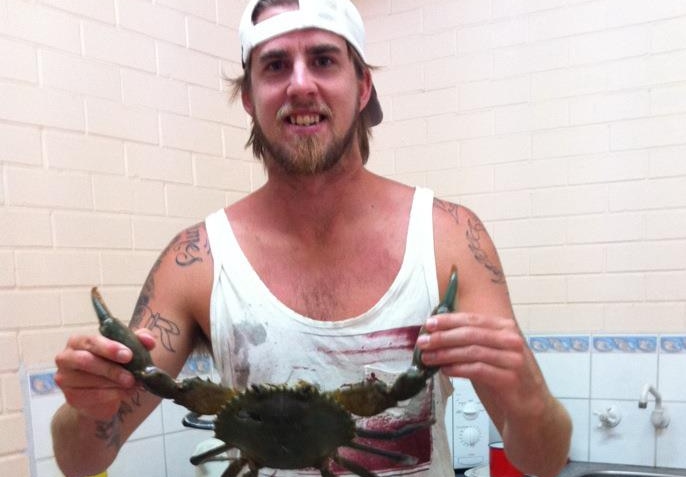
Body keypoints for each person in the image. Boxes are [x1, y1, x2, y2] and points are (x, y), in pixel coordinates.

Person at [51, 0, 572, 476]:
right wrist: (85, 409)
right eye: (275, 65)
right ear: (250, 98)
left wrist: (530, 394)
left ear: (362, 86)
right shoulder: (198, 262)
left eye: (323, 60)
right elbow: (79, 461)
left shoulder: (449, 239)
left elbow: (544, 461)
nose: (301, 85)